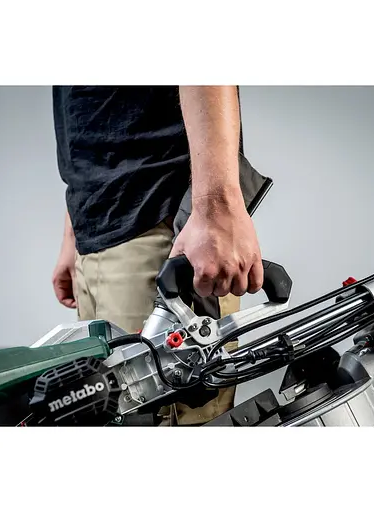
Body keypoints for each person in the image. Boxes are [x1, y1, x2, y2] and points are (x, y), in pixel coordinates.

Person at [51, 86, 271, 425]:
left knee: (164, 416)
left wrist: (216, 205)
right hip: (97, 229)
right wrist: (75, 230)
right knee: (106, 417)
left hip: (159, 218)